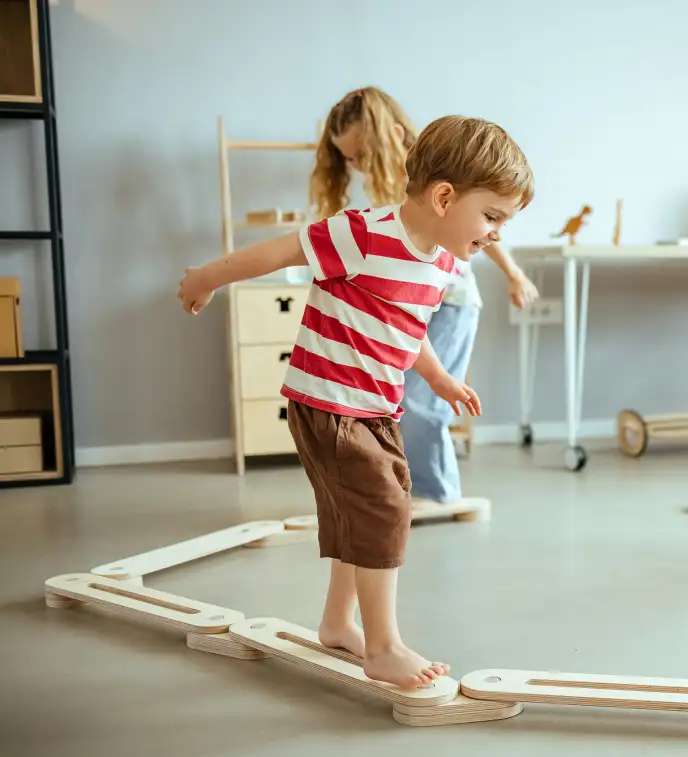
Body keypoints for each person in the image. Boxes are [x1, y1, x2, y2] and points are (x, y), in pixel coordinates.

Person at [177, 114, 534, 688]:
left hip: (375, 407)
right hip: (328, 402)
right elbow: (277, 253)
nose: (495, 233)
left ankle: (339, 622)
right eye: (491, 216)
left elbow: (406, 327)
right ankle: (384, 646)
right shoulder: (363, 233)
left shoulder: (442, 263)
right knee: (383, 511)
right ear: (444, 197)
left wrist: (439, 379)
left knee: (360, 515)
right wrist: (207, 278)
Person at [311, 87, 539, 503]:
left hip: (450, 301)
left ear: (394, 134)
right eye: (348, 158)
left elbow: (487, 227)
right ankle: (405, 488)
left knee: (423, 401)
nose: (356, 165)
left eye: (360, 153)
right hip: (405, 299)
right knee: (398, 398)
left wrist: (514, 274)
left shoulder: (432, 175)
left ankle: (437, 494)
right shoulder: (383, 187)